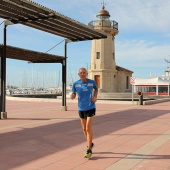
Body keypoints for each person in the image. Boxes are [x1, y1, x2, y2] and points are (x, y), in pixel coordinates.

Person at [70, 67, 98, 158]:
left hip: (91, 107)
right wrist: (72, 95)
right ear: (78, 74)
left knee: (88, 128)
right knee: (84, 129)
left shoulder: (91, 82)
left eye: (84, 72)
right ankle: (90, 143)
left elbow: (96, 89)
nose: (82, 74)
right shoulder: (76, 84)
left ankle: (89, 149)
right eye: (80, 73)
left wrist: (95, 97)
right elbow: (73, 93)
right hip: (81, 108)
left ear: (87, 73)